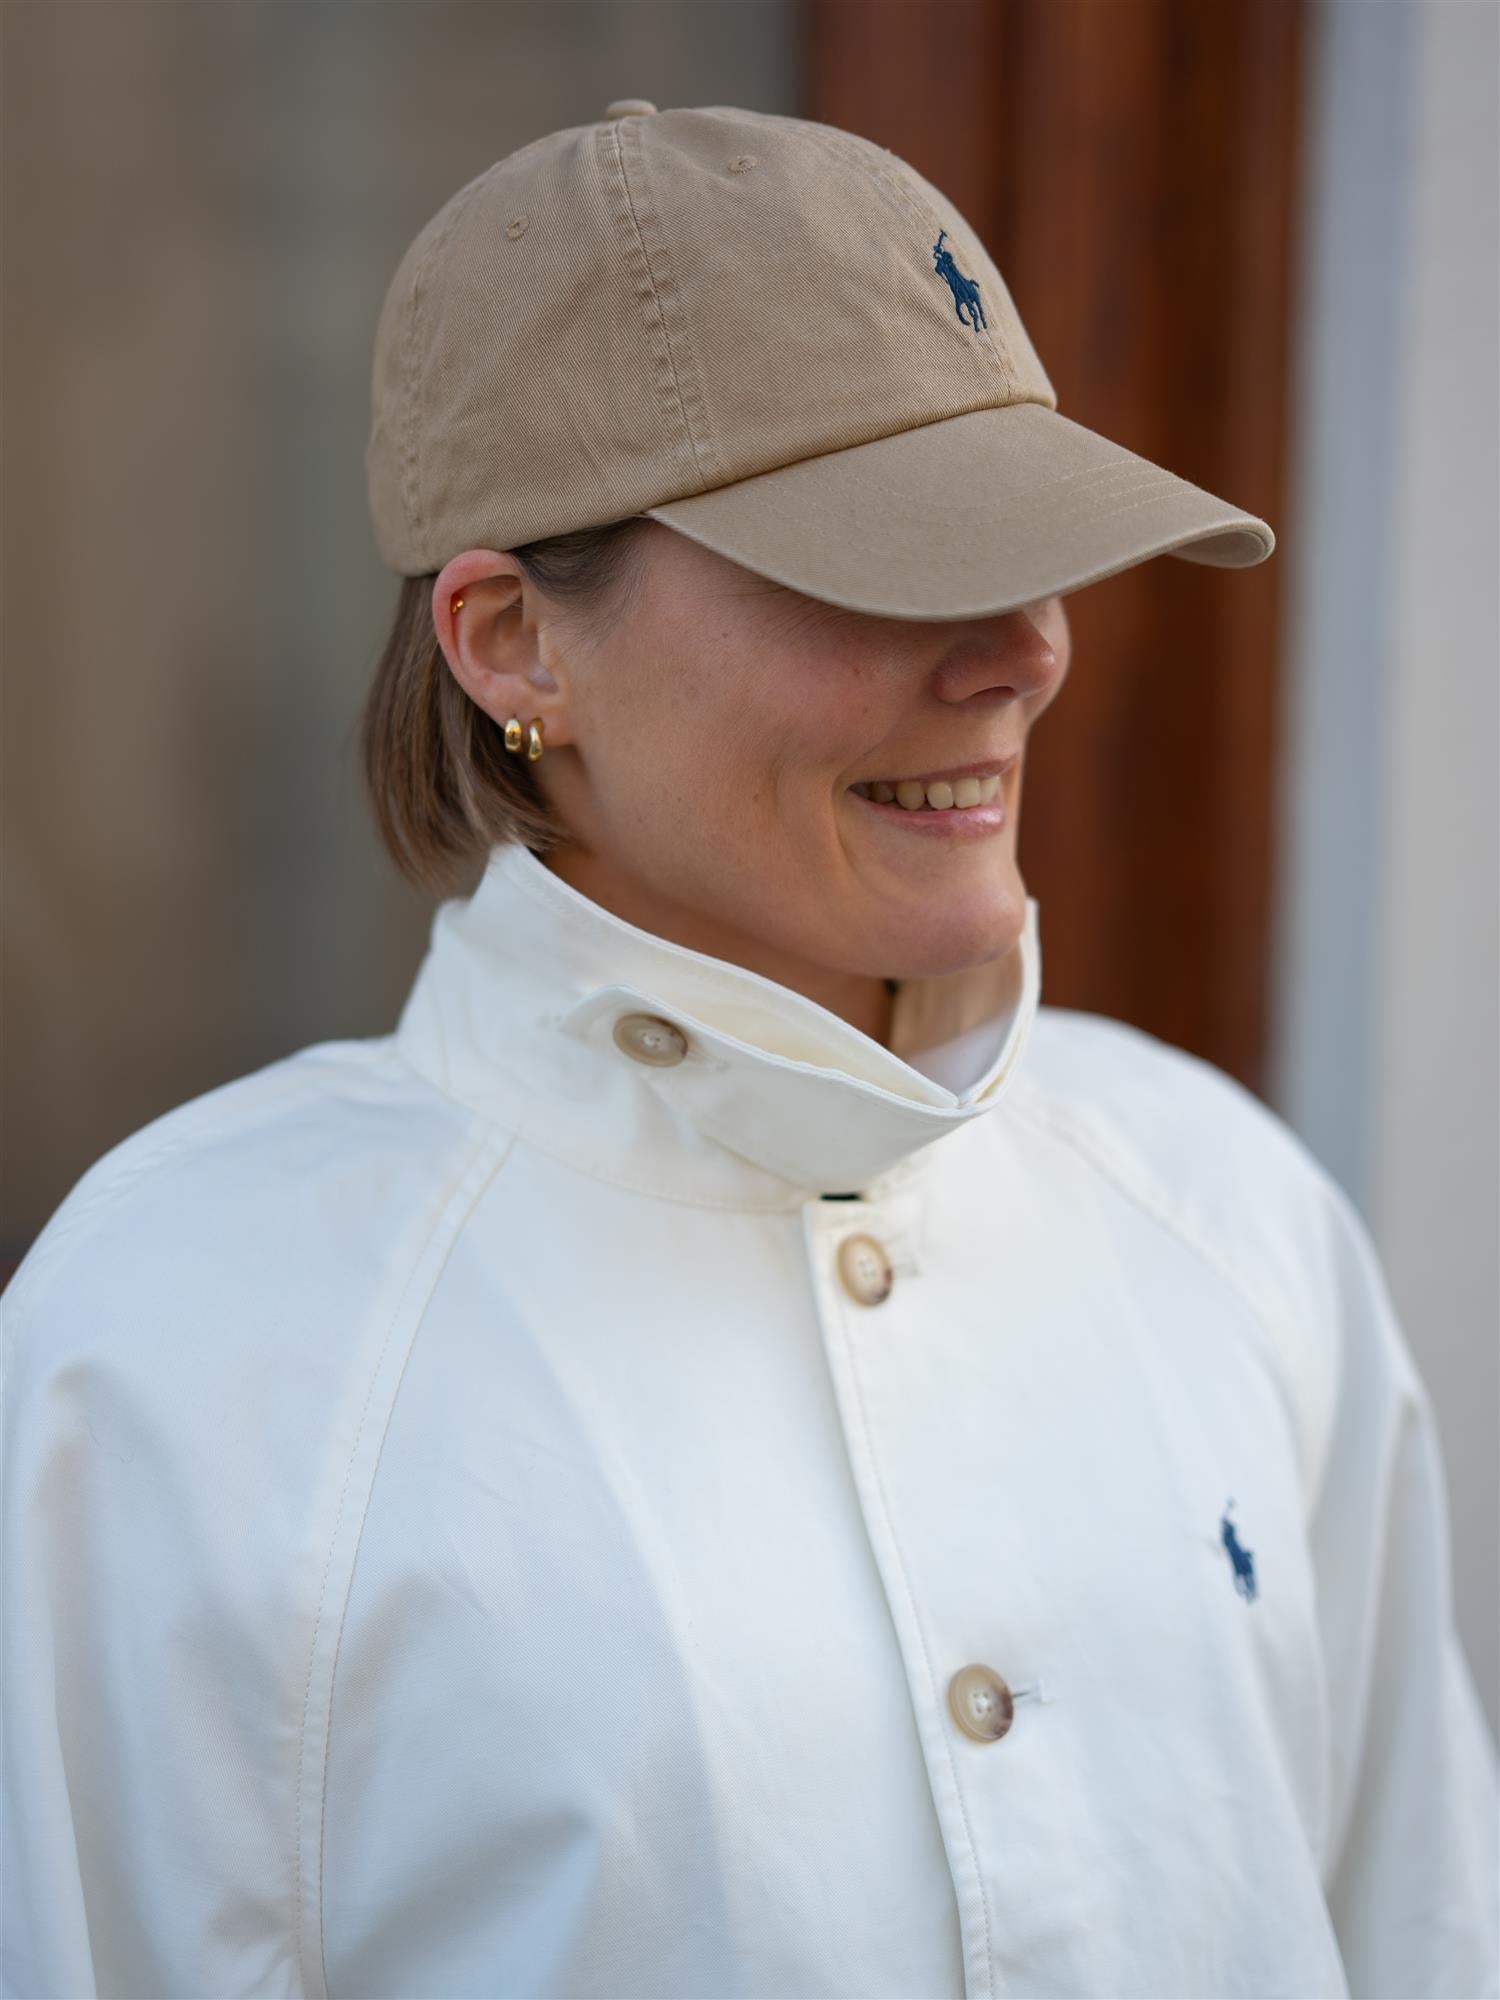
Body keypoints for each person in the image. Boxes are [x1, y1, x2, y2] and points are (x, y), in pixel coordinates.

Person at [3, 98, 1496, 2000]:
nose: (1026, 650)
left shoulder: (1227, 1213)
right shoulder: (174, 1357)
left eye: (1034, 543)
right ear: (512, 642)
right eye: (890, 562)